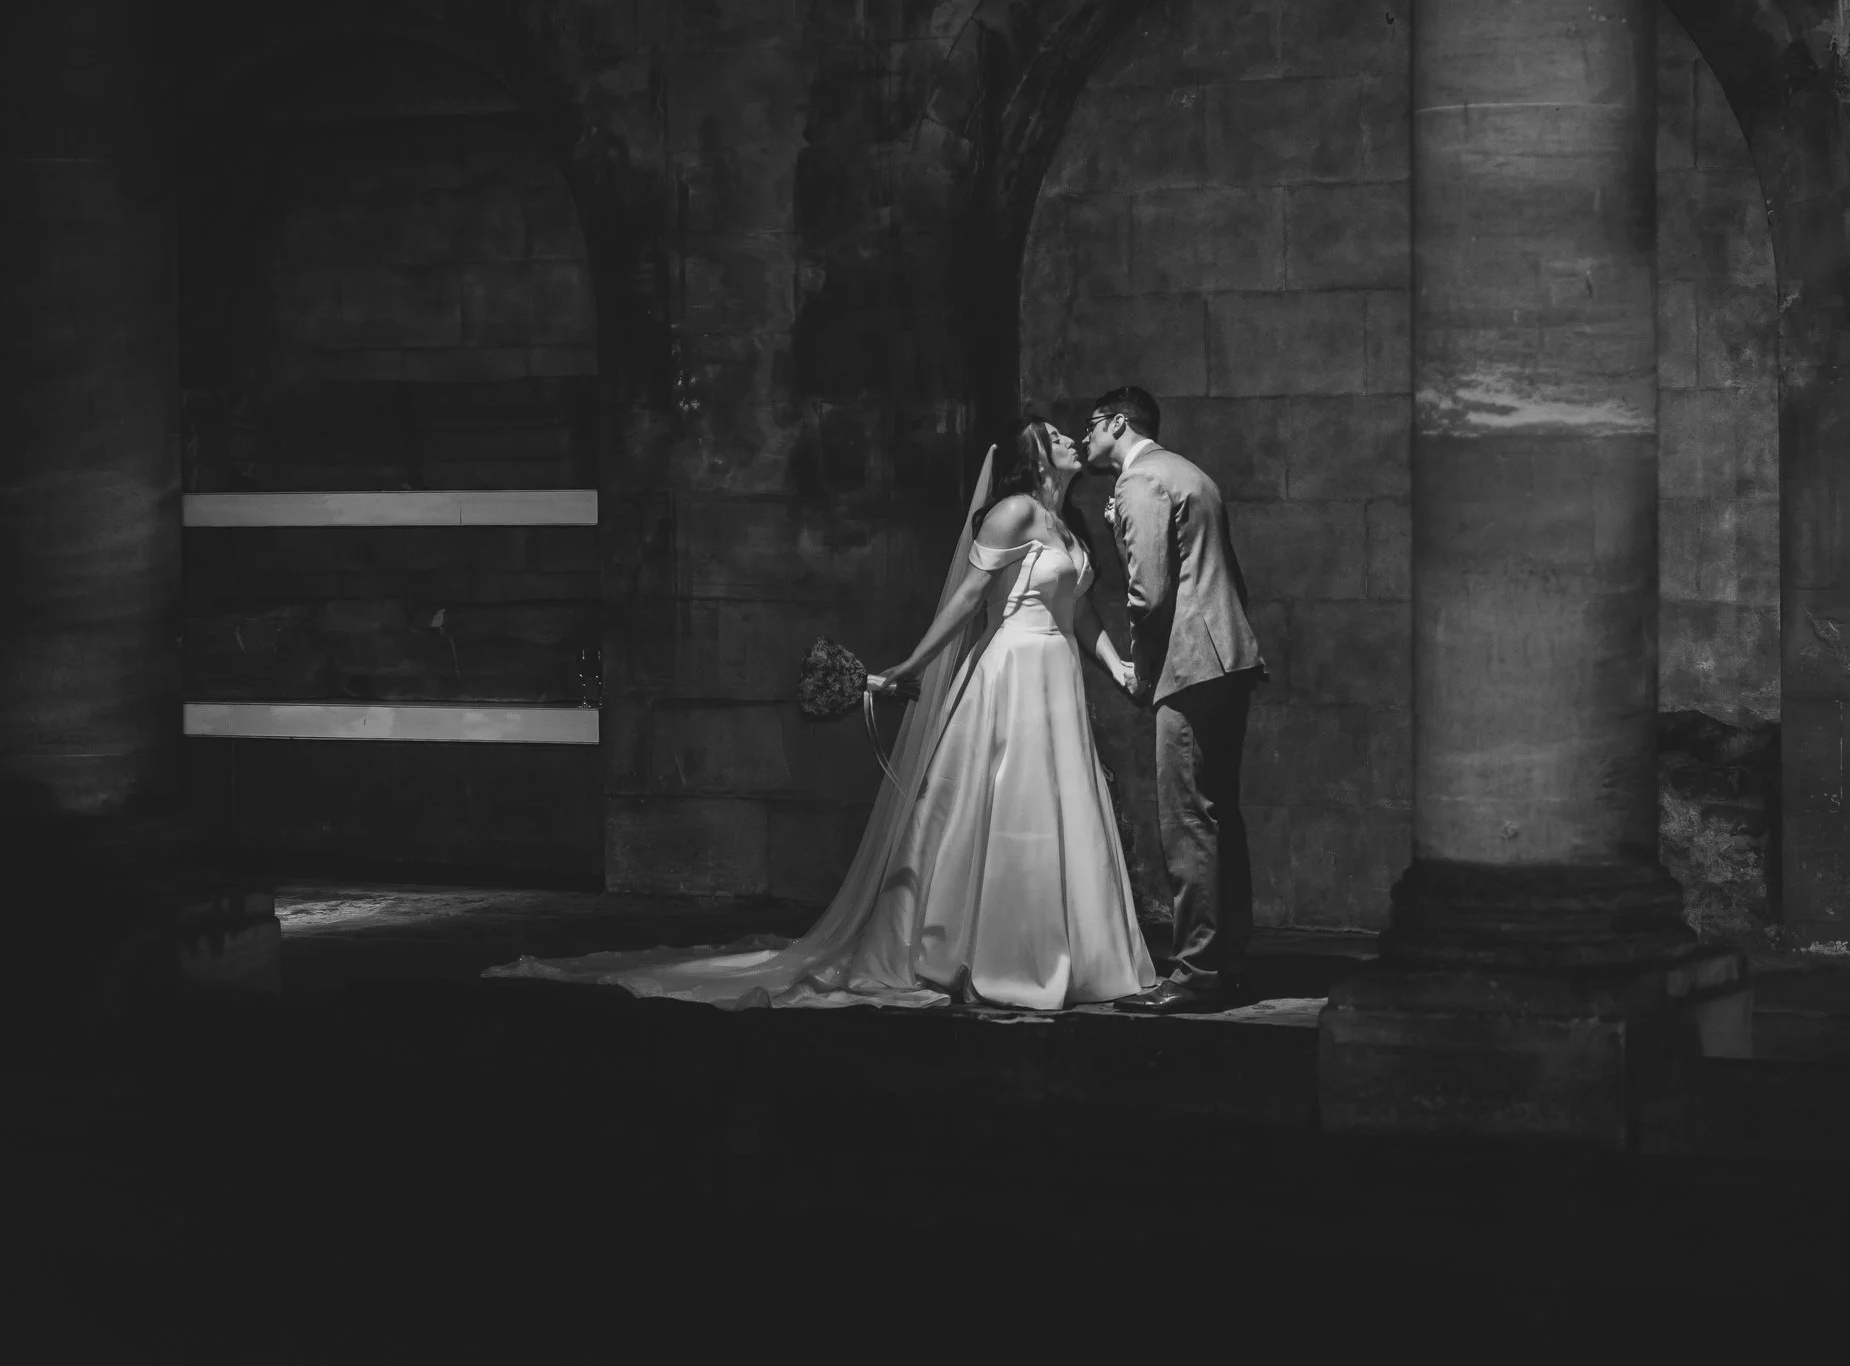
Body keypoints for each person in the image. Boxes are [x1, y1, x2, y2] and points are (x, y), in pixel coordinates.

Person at [486, 415, 1156, 1012]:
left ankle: (1077, 955)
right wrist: (911, 665)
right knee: (1006, 808)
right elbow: (967, 600)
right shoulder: (1013, 513)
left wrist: (1118, 665)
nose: (1071, 439)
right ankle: (992, 952)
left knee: (1062, 810)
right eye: (1057, 436)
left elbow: (1082, 608)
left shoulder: (1070, 525)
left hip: (1058, 674)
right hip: (1012, 672)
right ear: (1036, 457)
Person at [1083, 386, 1265, 1014]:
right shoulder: (1189, 472)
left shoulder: (1140, 483)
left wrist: (1143, 671)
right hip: (1229, 657)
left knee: (1187, 820)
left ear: (1115, 423)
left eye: (1090, 428)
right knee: (1218, 817)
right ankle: (1228, 961)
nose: (1084, 440)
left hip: (1189, 662)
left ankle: (1196, 974)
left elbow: (1150, 595)